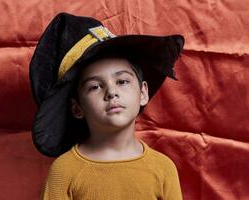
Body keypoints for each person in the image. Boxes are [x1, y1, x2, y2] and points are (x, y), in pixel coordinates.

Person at [29, 12, 184, 200]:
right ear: (77, 108)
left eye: (122, 81)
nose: (111, 92)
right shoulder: (64, 171)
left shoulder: (163, 169)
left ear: (143, 93)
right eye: (95, 86)